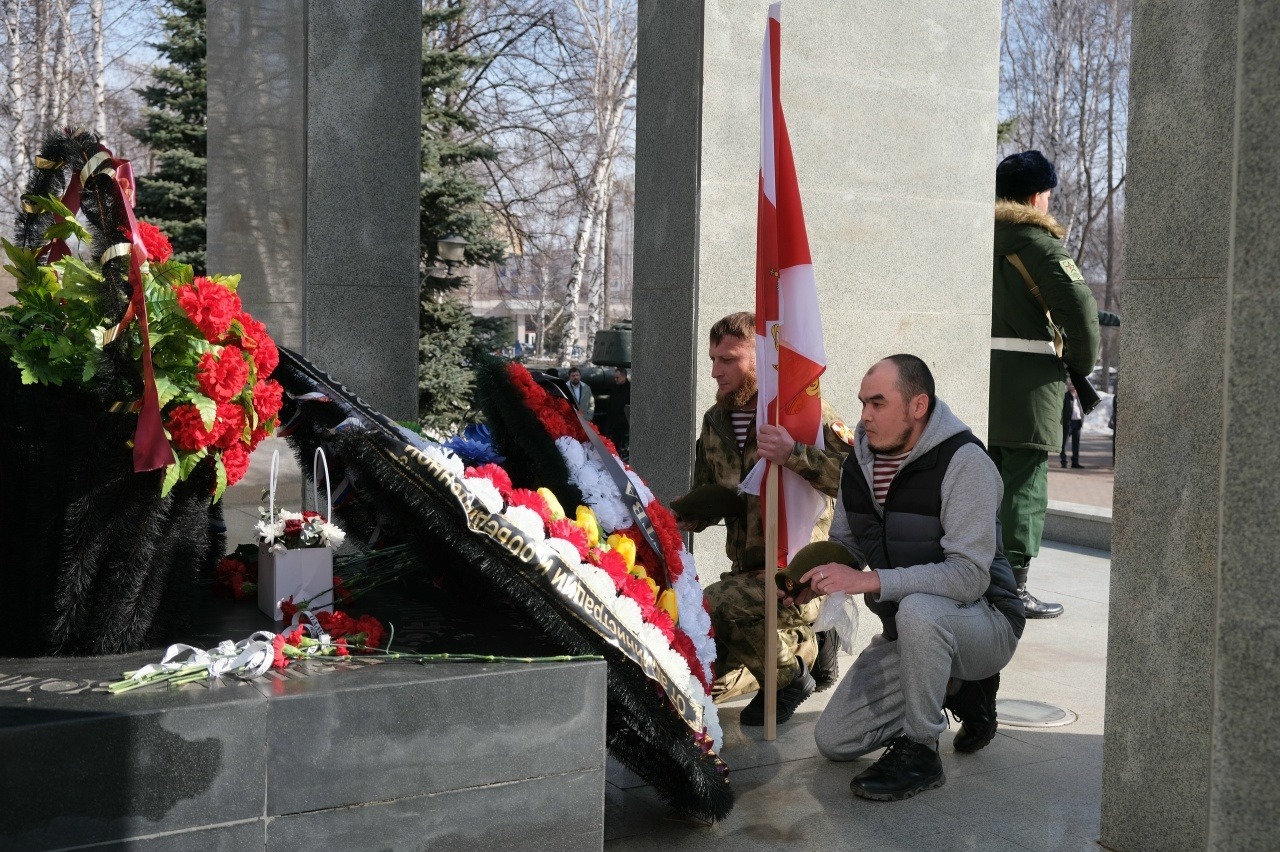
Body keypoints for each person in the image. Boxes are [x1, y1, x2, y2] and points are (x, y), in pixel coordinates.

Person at [798, 355, 1024, 801]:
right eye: (863, 402)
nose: (865, 416)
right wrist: (806, 575)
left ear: (918, 405)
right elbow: (848, 544)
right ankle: (958, 688)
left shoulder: (965, 462)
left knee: (920, 610)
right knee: (835, 741)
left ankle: (921, 750)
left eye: (878, 403)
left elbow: (969, 577)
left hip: (986, 620)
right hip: (910, 631)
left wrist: (873, 582)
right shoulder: (860, 462)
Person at [673, 312, 854, 726]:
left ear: (763, 359)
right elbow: (716, 491)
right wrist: (693, 515)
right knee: (698, 680)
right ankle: (807, 647)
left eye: (729, 360)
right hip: (745, 575)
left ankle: (790, 678)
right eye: (713, 359)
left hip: (799, 577)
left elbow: (855, 486)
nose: (716, 372)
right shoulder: (715, 422)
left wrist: (794, 454)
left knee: (716, 604)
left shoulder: (807, 414)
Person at [990, 150, 1100, 619]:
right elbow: (1080, 313)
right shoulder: (1041, 247)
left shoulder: (976, 236)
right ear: (1037, 196)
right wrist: (1079, 361)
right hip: (1029, 388)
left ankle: (976, 578)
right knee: (1024, 487)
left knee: (980, 481)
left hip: (981, 382)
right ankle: (1012, 588)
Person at [605, 367, 631, 458]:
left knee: (625, 450)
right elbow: (610, 405)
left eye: (617, 377)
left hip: (626, 425)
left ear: (624, 377)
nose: (615, 379)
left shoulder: (631, 389)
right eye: (615, 377)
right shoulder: (614, 388)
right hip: (615, 425)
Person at [1060, 385, 1083, 468]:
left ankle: (1075, 462)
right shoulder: (1066, 396)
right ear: (1069, 387)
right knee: (1064, 443)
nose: (1074, 387)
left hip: (1077, 422)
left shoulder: (1079, 396)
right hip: (1068, 422)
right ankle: (1064, 462)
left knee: (1076, 443)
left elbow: (1081, 409)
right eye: (1072, 385)